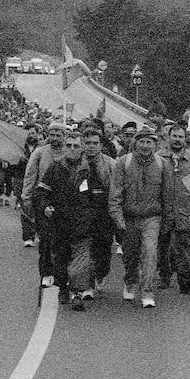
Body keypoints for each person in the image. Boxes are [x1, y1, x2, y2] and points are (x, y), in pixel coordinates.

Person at [34, 131, 115, 311]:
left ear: (82, 148)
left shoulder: (91, 171)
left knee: (81, 262)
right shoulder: (55, 168)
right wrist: (45, 206)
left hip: (83, 226)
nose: (72, 149)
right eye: (69, 146)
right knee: (60, 260)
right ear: (63, 147)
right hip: (59, 224)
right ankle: (63, 287)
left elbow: (99, 197)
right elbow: (41, 192)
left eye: (76, 146)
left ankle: (77, 294)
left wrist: (93, 217)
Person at [109, 125, 167, 308]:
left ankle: (147, 291)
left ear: (155, 144)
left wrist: (167, 220)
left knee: (150, 251)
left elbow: (168, 195)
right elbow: (115, 193)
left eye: (149, 142)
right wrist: (117, 218)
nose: (145, 145)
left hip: (152, 217)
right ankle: (131, 280)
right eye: (141, 141)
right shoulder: (123, 163)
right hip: (129, 217)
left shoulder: (162, 164)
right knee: (131, 255)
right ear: (135, 143)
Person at [156, 124, 190, 294]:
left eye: (180, 137)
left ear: (185, 139)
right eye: (174, 136)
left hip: (184, 208)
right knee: (163, 244)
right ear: (168, 137)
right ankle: (164, 275)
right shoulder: (159, 157)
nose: (177, 140)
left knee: (181, 245)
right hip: (163, 208)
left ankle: (185, 279)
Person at [22, 122, 67, 288]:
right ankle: (46, 273)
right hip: (43, 202)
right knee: (46, 240)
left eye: (58, 135)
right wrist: (26, 197)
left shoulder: (71, 153)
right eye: (52, 134)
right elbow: (30, 175)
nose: (55, 138)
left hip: (65, 204)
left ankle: (62, 273)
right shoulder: (39, 153)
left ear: (64, 136)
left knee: (63, 241)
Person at [79, 127, 117, 297]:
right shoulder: (77, 162)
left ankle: (101, 273)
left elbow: (117, 189)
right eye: (88, 143)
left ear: (101, 145)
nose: (91, 146)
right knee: (85, 248)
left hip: (104, 213)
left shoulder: (111, 164)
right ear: (83, 144)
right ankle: (87, 284)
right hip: (83, 212)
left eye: (95, 143)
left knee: (103, 248)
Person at [16, 133, 41, 247]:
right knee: (26, 210)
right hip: (23, 182)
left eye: (33, 132)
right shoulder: (18, 147)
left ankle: (39, 233)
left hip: (38, 185)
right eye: (29, 132)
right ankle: (28, 237)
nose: (32, 135)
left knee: (39, 211)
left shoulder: (42, 150)